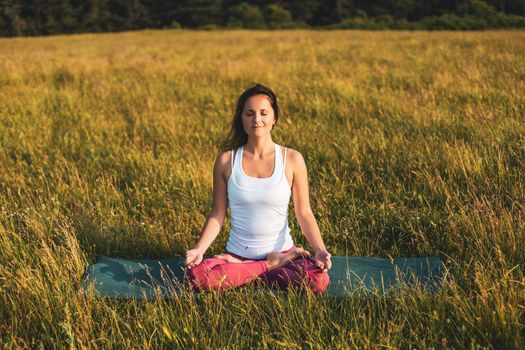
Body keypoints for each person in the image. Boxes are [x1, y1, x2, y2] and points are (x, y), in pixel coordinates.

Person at [184, 83, 332, 294]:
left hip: (283, 254)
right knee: (197, 279)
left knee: (318, 281)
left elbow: (304, 212)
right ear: (241, 118)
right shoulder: (226, 161)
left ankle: (248, 273)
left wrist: (320, 250)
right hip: (238, 257)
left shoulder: (291, 159)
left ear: (274, 118)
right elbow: (217, 214)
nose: (257, 120)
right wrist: (199, 249)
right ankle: (266, 267)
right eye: (249, 113)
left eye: (264, 113)